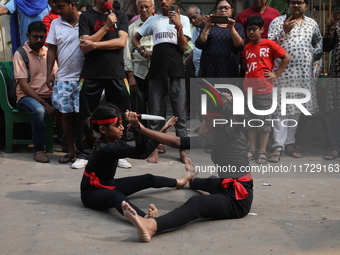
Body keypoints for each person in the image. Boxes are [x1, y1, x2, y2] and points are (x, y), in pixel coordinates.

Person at [121, 92, 253, 242]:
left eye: (207, 120)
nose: (205, 122)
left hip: (237, 200)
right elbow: (204, 130)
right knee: (208, 182)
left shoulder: (219, 136)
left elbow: (179, 142)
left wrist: (142, 129)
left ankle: (152, 226)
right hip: (230, 186)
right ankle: (191, 179)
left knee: (198, 203)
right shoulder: (230, 131)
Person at [80, 104, 197, 218]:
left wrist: (161, 132)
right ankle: (145, 219)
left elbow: (144, 153)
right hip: (92, 194)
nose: (122, 128)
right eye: (117, 125)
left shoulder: (114, 142)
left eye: (122, 124)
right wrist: (136, 128)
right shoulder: (105, 148)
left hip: (108, 185)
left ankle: (180, 182)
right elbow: (140, 153)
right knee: (115, 196)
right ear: (102, 129)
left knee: (148, 178)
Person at [73, 0, 131, 169]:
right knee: (86, 114)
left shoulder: (121, 16)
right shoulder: (86, 16)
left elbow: (121, 42)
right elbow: (84, 45)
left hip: (116, 72)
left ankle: (119, 151)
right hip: (91, 73)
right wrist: (105, 27)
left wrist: (95, 44)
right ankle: (84, 153)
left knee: (120, 114)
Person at [131, 0, 191, 164]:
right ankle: (154, 149)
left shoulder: (183, 19)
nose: (163, 1)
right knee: (155, 115)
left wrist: (178, 26)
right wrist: (143, 51)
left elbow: (183, 47)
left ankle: (183, 150)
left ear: (173, 1)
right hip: (156, 71)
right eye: (160, 0)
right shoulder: (152, 21)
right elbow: (135, 38)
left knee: (180, 114)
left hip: (175, 70)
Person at [268, 0, 322, 162]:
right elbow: (270, 45)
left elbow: (319, 41)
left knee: (296, 109)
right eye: (293, 2)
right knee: (281, 109)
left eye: (300, 3)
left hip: (303, 74)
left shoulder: (311, 23)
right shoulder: (278, 22)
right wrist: (284, 31)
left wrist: (312, 52)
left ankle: (289, 143)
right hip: (283, 73)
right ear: (288, 5)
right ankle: (278, 145)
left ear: (306, 6)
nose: (297, 5)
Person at [243, 15, 290, 164]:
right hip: (248, 90)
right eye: (248, 29)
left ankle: (262, 150)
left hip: (265, 90)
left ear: (262, 29)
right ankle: (252, 149)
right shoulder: (246, 48)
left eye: (254, 29)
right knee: (251, 121)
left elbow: (286, 57)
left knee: (264, 122)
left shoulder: (269, 44)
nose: (251, 32)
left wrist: (276, 74)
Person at [46, 0, 84, 164]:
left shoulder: (86, 19)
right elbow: (52, 49)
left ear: (72, 4)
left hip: (85, 78)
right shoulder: (55, 23)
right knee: (65, 116)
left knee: (85, 117)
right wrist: (48, 73)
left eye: (61, 6)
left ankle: (85, 150)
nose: (57, 10)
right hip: (64, 77)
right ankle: (71, 150)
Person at [13, 21, 57, 163]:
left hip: (48, 94)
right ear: (28, 35)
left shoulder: (47, 52)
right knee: (39, 111)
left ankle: (69, 144)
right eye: (35, 37)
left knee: (70, 106)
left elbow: (55, 76)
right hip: (27, 96)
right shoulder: (20, 54)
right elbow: (24, 85)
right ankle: (38, 149)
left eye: (42, 37)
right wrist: (44, 103)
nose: (39, 40)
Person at [124, 0, 155, 127]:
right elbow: (127, 54)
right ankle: (142, 140)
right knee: (139, 109)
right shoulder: (132, 28)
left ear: (153, 8)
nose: (144, 10)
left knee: (156, 107)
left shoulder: (161, 24)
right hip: (138, 72)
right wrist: (131, 76)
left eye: (147, 7)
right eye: (141, 7)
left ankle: (157, 140)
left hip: (156, 71)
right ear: (137, 9)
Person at [195, 0, 245, 78]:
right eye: (220, 8)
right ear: (215, 10)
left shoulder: (237, 26)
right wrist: (207, 27)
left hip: (229, 66)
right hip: (209, 67)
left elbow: (240, 45)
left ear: (232, 10)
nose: (223, 10)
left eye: (226, 8)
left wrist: (231, 29)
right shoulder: (208, 25)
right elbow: (200, 43)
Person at [323, 15, 340, 160]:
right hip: (337, 75)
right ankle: (335, 147)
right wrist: (330, 27)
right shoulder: (337, 27)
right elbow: (327, 47)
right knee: (336, 113)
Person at [186, 5, 205, 77]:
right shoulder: (195, 29)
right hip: (196, 69)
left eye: (194, 17)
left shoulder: (210, 27)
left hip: (206, 68)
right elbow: (195, 49)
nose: (192, 21)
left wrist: (202, 68)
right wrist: (185, 62)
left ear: (200, 13)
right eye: (190, 19)